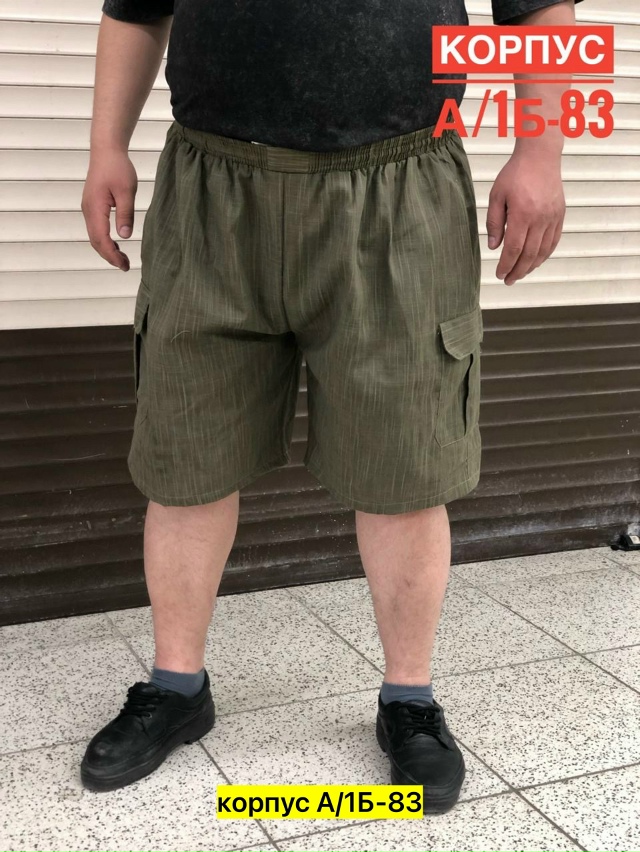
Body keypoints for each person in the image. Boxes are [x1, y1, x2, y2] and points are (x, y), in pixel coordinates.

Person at [80, 0, 582, 812]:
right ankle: (176, 686)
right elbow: (135, 9)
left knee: (406, 468)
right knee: (184, 459)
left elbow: (541, 9)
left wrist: (541, 151)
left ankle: (408, 699)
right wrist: (106, 146)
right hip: (211, 186)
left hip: (398, 184)